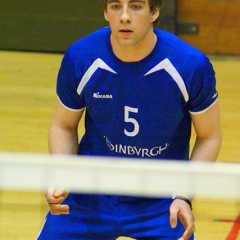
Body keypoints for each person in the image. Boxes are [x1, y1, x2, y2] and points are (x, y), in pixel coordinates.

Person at [37, 0, 222, 239]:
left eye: (135, 6)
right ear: (105, 12)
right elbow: (64, 125)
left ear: (154, 12)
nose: (124, 16)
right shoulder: (81, 57)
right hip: (89, 194)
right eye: (115, 6)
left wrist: (184, 196)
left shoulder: (190, 66)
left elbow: (210, 136)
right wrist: (63, 177)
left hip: (161, 202)